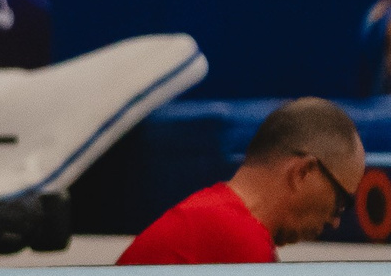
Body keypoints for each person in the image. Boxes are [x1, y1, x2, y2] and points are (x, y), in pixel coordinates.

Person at [119, 98, 365, 265]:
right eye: (341, 202)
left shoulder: (211, 215)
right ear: (303, 173)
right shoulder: (239, 243)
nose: (335, 221)